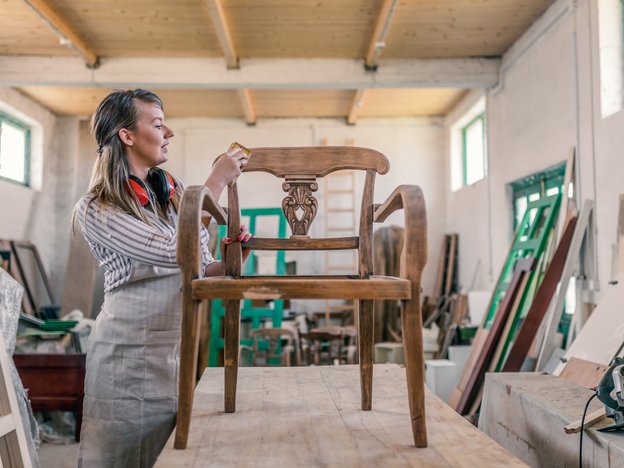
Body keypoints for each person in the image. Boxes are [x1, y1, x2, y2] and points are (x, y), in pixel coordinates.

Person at [73, 89, 251, 467]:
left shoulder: (169, 203)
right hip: (126, 359)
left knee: (166, 457)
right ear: (127, 135)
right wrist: (213, 185)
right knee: (120, 459)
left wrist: (231, 260)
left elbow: (198, 268)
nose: (168, 132)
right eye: (157, 124)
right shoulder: (97, 207)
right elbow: (174, 252)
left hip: (171, 356)